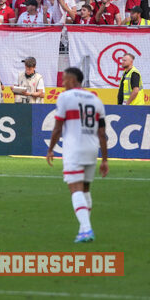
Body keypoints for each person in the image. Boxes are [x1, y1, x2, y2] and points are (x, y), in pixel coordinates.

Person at [46, 67, 108, 243]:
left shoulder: (65, 97)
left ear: (73, 81)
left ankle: (87, 230)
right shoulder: (96, 100)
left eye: (65, 79)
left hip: (74, 149)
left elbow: (58, 127)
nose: (63, 83)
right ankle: (83, 229)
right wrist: (104, 160)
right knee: (86, 189)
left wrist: (50, 149)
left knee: (75, 189)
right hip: (92, 149)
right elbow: (102, 134)